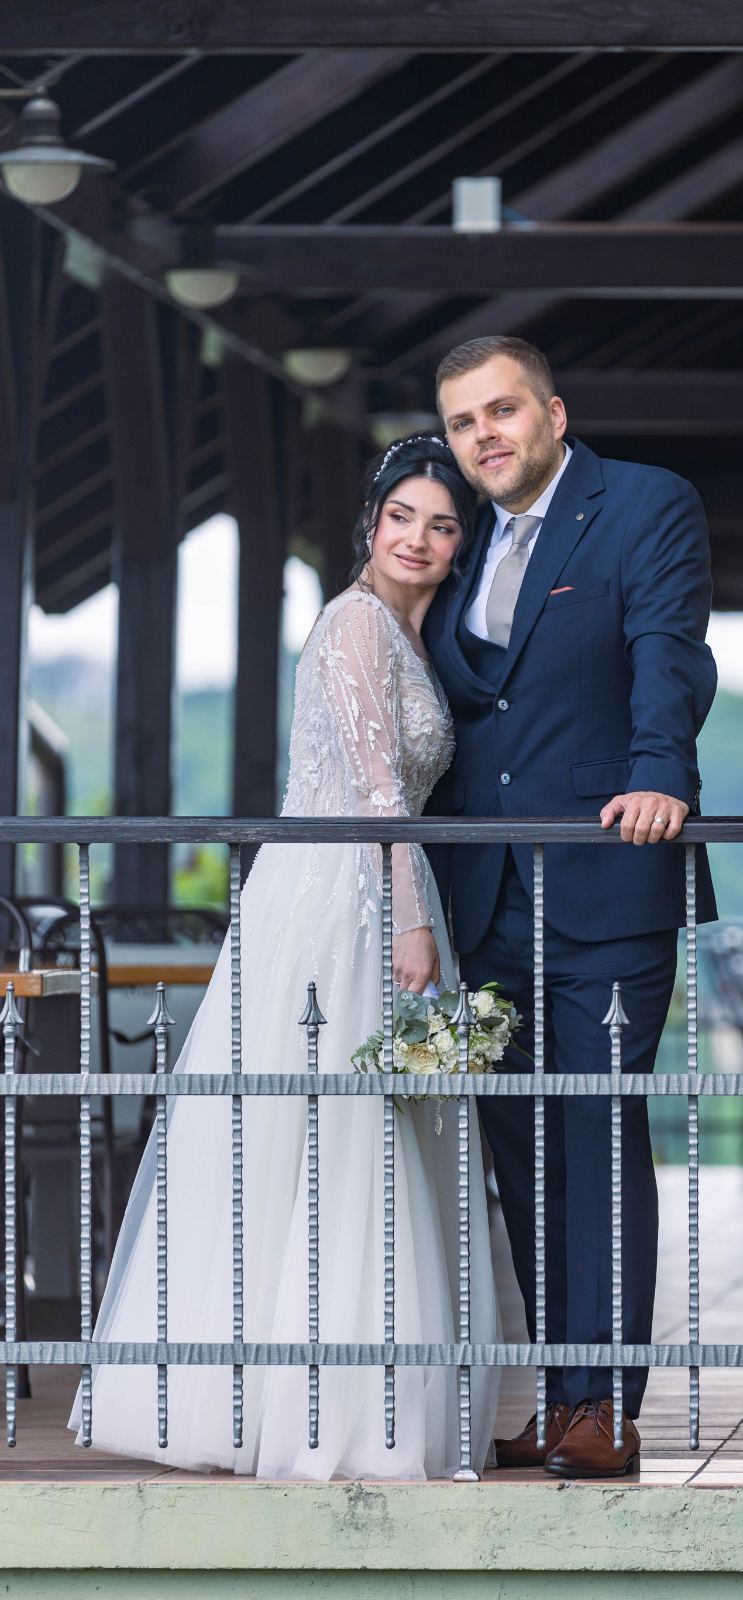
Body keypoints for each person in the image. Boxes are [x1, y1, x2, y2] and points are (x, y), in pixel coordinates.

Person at [68, 434, 500, 1481]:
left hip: (384, 885)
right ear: (370, 522)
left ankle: (358, 1394)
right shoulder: (354, 622)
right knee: (329, 1128)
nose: (418, 538)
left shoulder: (415, 637)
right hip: (339, 895)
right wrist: (410, 918)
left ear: (460, 546)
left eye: (442, 525)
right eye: (402, 516)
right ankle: (318, 1410)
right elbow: (376, 792)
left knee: (375, 1129)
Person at [425, 336, 717, 1478]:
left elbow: (667, 650)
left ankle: (606, 1406)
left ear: (553, 413)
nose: (483, 436)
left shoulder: (643, 503)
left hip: (606, 877)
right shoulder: (459, 540)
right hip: (484, 892)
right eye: (462, 422)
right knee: (522, 1153)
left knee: (596, 1136)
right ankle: (557, 1397)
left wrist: (660, 774)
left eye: (501, 411)